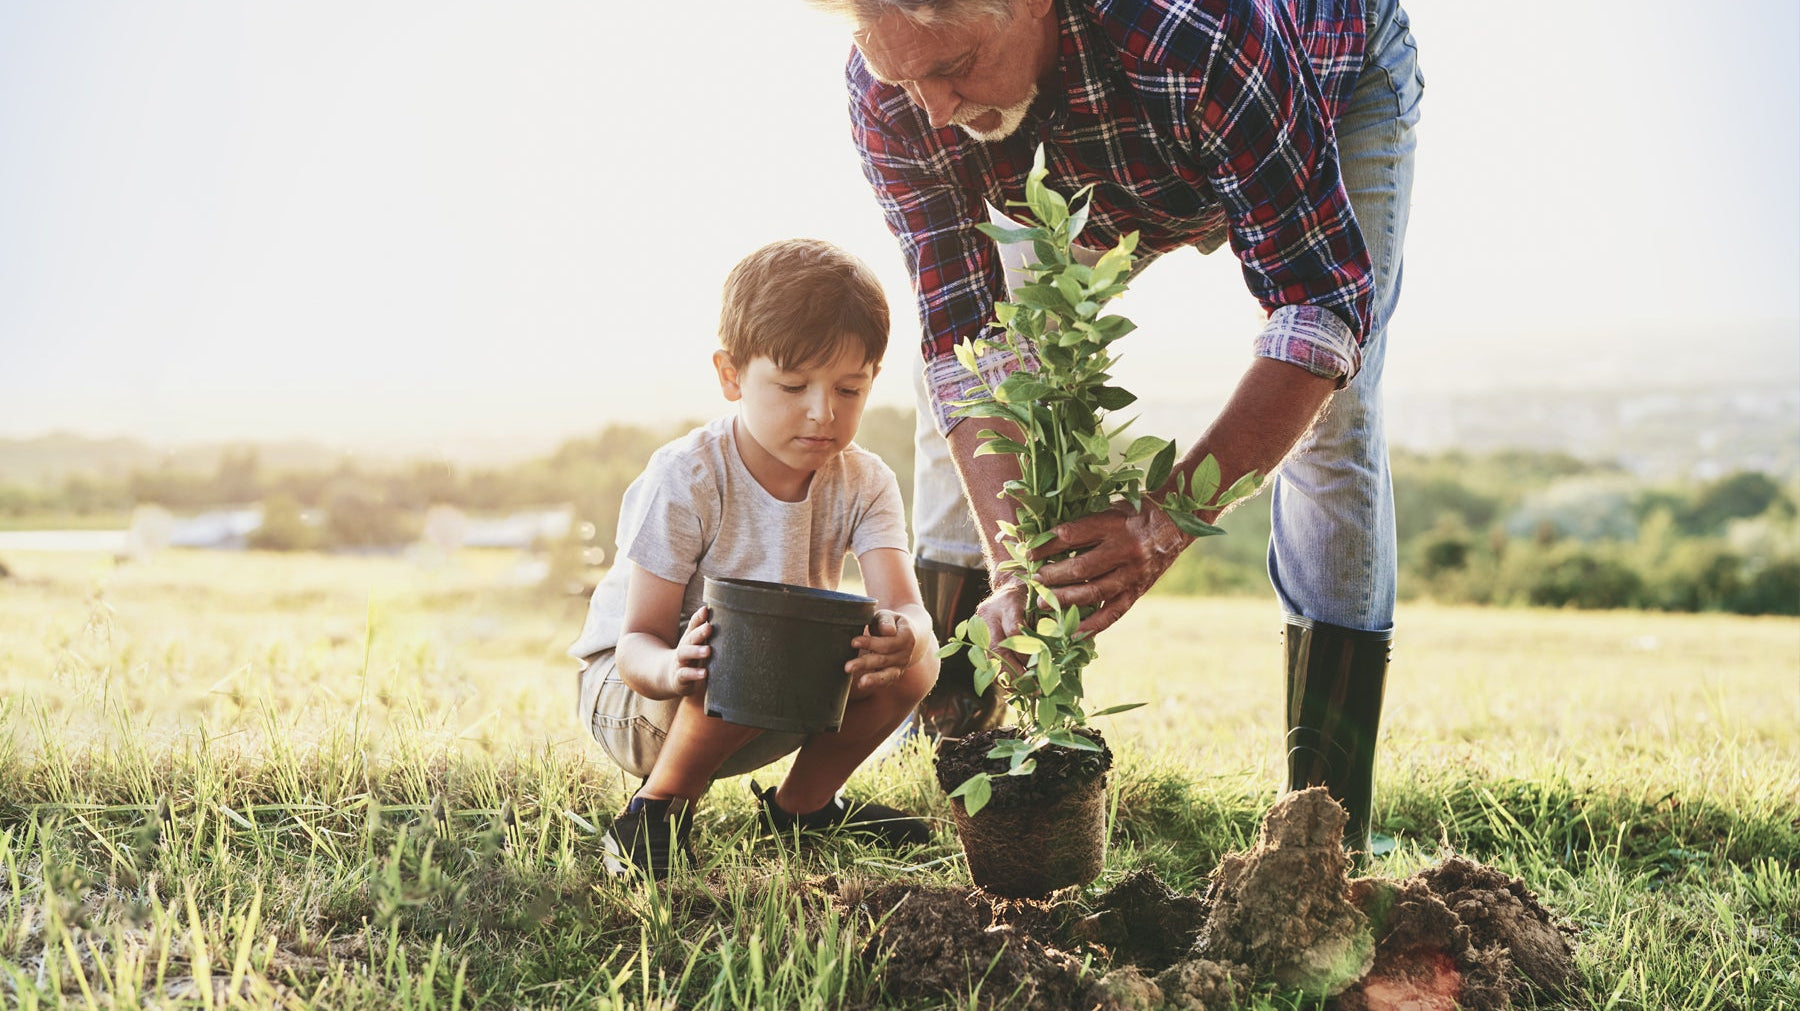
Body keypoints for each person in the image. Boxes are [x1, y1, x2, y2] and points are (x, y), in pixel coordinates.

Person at [810, 0, 1422, 861]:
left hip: (1320, 81)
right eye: (906, 78)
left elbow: (1318, 309)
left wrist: (1159, 524)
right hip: (1095, 145)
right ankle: (952, 722)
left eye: (951, 67)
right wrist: (1019, 565)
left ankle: (1323, 819)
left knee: (1335, 417)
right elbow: (963, 341)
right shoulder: (896, 88)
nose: (935, 110)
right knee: (997, 366)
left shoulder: (1197, 30)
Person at [566, 238, 940, 878]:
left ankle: (803, 810)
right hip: (643, 701)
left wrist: (907, 636)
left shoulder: (866, 480)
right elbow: (634, 645)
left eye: (849, 389)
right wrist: (674, 667)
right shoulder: (687, 476)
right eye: (793, 386)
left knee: (918, 656)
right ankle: (654, 814)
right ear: (731, 375)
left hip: (771, 693)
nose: (823, 412)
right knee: (755, 642)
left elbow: (908, 607)